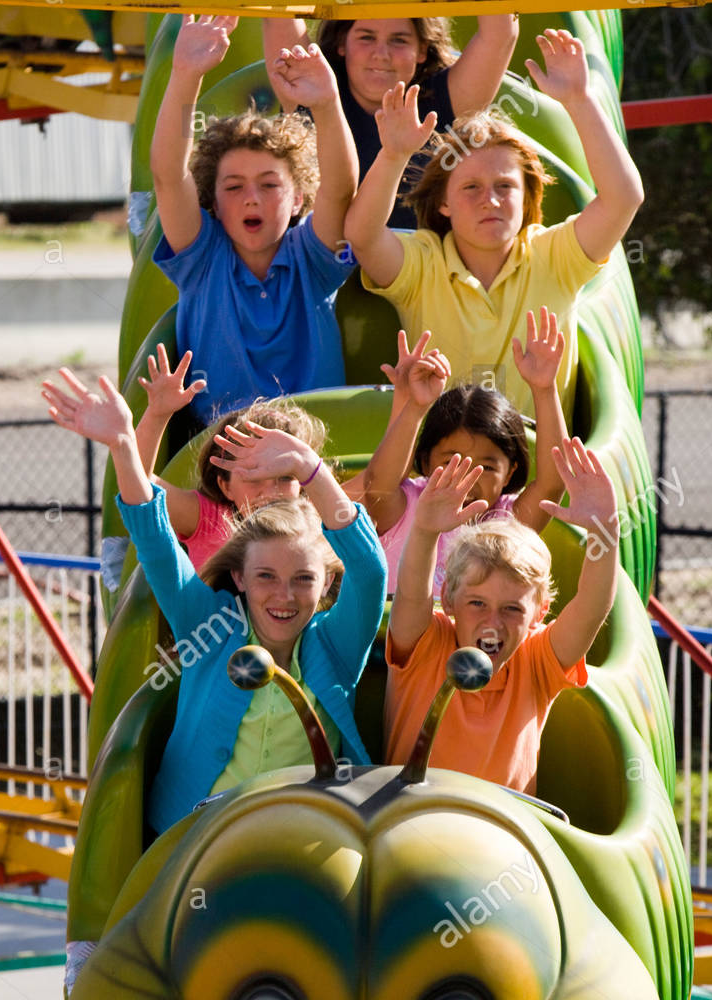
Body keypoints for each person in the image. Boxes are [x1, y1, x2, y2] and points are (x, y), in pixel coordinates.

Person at [42, 371, 387, 835]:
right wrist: (125, 443)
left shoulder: (338, 646)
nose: (284, 595)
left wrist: (311, 468)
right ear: (239, 577)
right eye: (266, 576)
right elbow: (155, 540)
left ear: (326, 582)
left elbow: (370, 571)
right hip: (202, 831)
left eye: (302, 579)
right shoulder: (207, 627)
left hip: (303, 831)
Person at [345, 28, 644, 420]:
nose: (490, 200)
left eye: (505, 186)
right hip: (439, 473)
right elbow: (362, 237)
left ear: (527, 197)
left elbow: (624, 198)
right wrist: (394, 154)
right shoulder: (423, 264)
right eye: (471, 187)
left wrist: (579, 100)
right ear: (445, 203)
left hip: (535, 469)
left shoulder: (554, 256)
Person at [151, 15, 359, 426]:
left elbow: (340, 189)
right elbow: (168, 175)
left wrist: (328, 103)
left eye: (269, 185)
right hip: (223, 453)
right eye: (233, 187)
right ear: (211, 198)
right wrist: (185, 74)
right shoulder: (202, 259)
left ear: (299, 197)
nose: (251, 199)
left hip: (309, 448)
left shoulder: (311, 260)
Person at [384, 438, 618, 797]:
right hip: (411, 824)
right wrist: (425, 530)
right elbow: (413, 592)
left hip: (502, 837)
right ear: (447, 600)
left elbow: (590, 608)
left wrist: (605, 532)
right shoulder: (427, 645)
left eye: (512, 609)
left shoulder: (536, 661)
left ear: (539, 614)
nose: (493, 621)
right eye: (477, 603)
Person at [58, 349, 331, 587]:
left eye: (285, 477)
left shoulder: (314, 520)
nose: (271, 490)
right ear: (225, 485)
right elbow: (139, 484)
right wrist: (157, 414)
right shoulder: (210, 517)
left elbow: (372, 486)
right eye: (253, 475)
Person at [359, 308, 567, 593]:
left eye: (488, 467)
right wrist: (415, 406)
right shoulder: (406, 505)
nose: (467, 477)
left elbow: (552, 483)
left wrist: (545, 389)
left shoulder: (507, 521)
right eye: (452, 462)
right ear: (425, 461)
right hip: (393, 636)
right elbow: (377, 486)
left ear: (510, 474)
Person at [262, 15, 518, 227]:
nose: (381, 54)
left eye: (399, 40)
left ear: (421, 49)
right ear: (342, 43)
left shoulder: (446, 100)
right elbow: (279, 13)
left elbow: (501, 32)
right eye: (366, 37)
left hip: (422, 270)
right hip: (322, 272)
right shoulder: (312, 88)